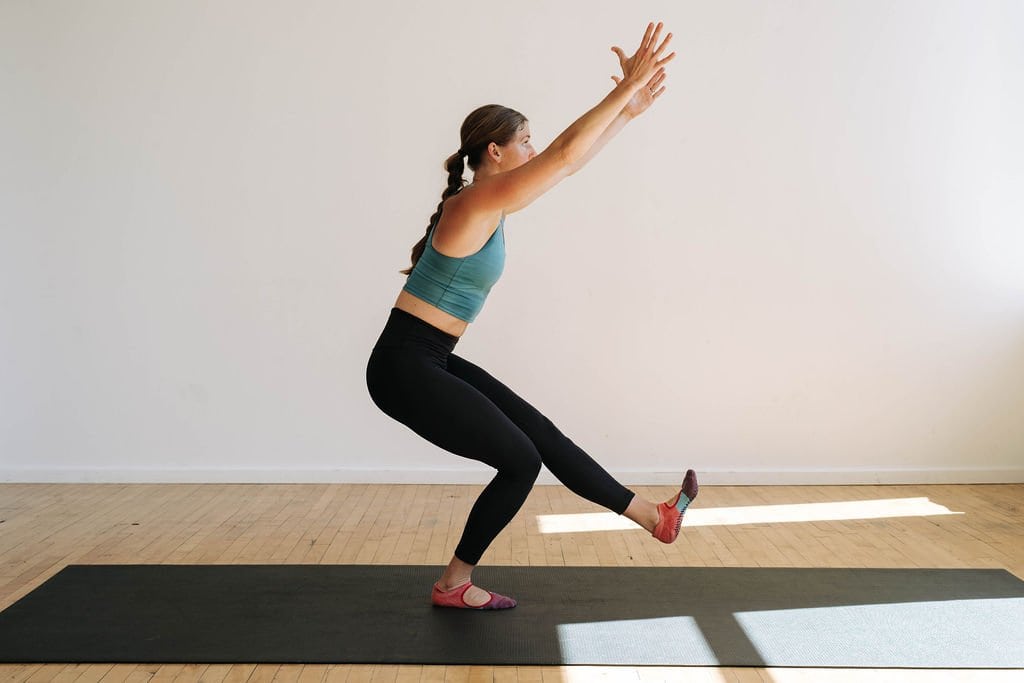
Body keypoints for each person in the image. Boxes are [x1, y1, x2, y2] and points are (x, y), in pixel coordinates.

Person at [366, 22, 698, 610]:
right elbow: (566, 156)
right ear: (494, 152)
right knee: (519, 461)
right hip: (402, 366)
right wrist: (623, 91)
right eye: (524, 141)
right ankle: (452, 584)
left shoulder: (491, 201)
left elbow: (571, 160)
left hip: (430, 358)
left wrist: (628, 112)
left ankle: (655, 517)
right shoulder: (475, 201)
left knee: (540, 436)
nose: (533, 151)